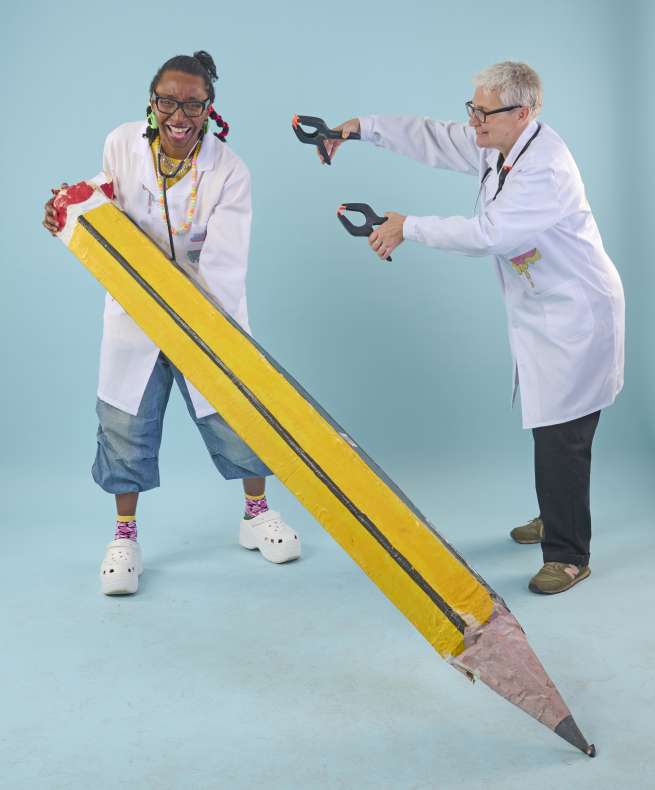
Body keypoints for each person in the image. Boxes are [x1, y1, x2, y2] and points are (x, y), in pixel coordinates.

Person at [320, 61, 624, 594]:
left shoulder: (544, 167)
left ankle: (570, 554)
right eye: (473, 110)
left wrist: (406, 227)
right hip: (544, 308)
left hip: (577, 313)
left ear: (522, 113)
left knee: (564, 434)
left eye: (484, 112)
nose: (473, 122)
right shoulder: (500, 144)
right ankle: (558, 517)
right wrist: (358, 127)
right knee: (550, 423)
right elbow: (432, 137)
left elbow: (492, 233)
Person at [43, 51, 301, 595]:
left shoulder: (230, 171)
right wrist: (74, 206)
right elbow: (108, 191)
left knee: (236, 415)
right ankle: (125, 537)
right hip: (133, 317)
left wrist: (180, 309)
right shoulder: (122, 142)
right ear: (152, 102)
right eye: (168, 102)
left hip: (208, 316)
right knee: (125, 423)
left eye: (192, 104)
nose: (178, 116)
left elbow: (225, 268)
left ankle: (256, 514)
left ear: (209, 108)